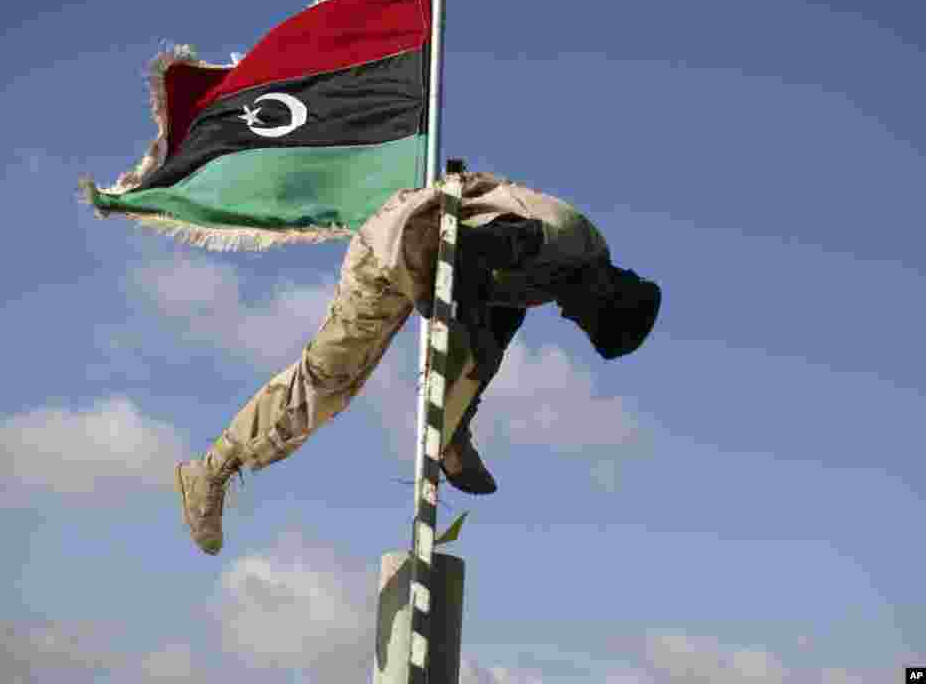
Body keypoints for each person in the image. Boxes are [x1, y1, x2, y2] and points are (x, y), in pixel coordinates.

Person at [175, 161, 662, 555]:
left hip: (431, 257)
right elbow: (452, 247)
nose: (568, 318)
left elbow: (499, 321)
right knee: (330, 380)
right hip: (397, 246)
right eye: (583, 318)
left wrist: (457, 411)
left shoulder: (568, 274)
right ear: (606, 291)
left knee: (480, 350)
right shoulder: (558, 240)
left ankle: (454, 438)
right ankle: (212, 470)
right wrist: (452, 332)